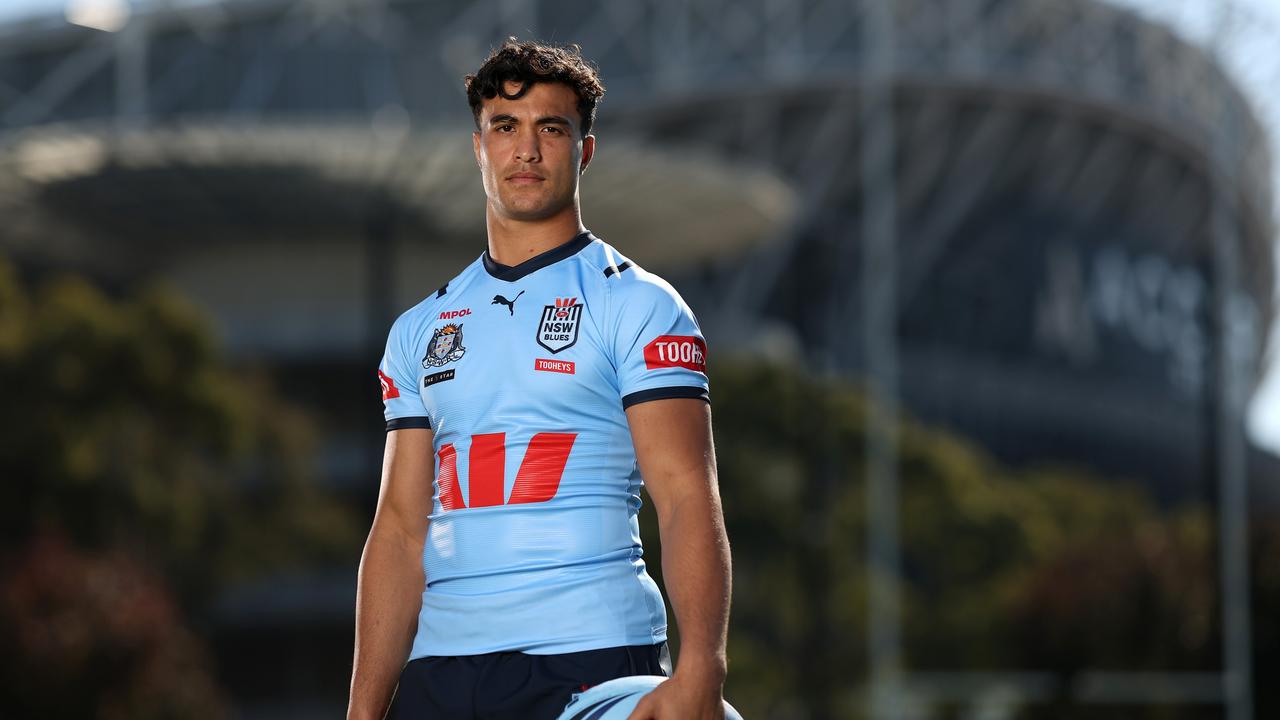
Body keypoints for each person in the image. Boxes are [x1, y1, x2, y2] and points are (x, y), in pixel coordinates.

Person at [347, 39, 732, 720]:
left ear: (583, 150)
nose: (525, 151)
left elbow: (682, 495)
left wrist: (704, 665)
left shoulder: (639, 303)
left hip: (590, 661)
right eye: (505, 128)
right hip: (442, 675)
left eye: (550, 129)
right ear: (479, 146)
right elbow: (401, 532)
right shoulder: (418, 328)